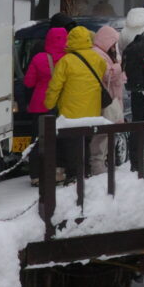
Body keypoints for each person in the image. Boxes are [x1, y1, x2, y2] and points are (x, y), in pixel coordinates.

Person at [44, 26, 107, 179]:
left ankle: (75, 177)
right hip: (92, 112)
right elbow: (102, 74)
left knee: (72, 147)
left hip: (70, 115)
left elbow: (55, 86)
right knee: (86, 143)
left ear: (70, 40)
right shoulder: (98, 59)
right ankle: (86, 174)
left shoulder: (65, 61)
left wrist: (49, 104)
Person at [23, 27, 66, 183]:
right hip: (61, 105)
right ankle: (57, 172)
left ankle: (36, 175)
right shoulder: (68, 58)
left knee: (37, 140)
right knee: (59, 140)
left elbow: (28, 82)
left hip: (39, 106)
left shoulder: (39, 58)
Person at [89, 25, 125, 174]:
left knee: (107, 133)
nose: (115, 46)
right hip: (106, 100)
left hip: (111, 99)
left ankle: (102, 162)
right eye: (113, 42)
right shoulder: (97, 53)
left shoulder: (106, 54)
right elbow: (107, 74)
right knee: (102, 134)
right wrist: (120, 66)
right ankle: (97, 165)